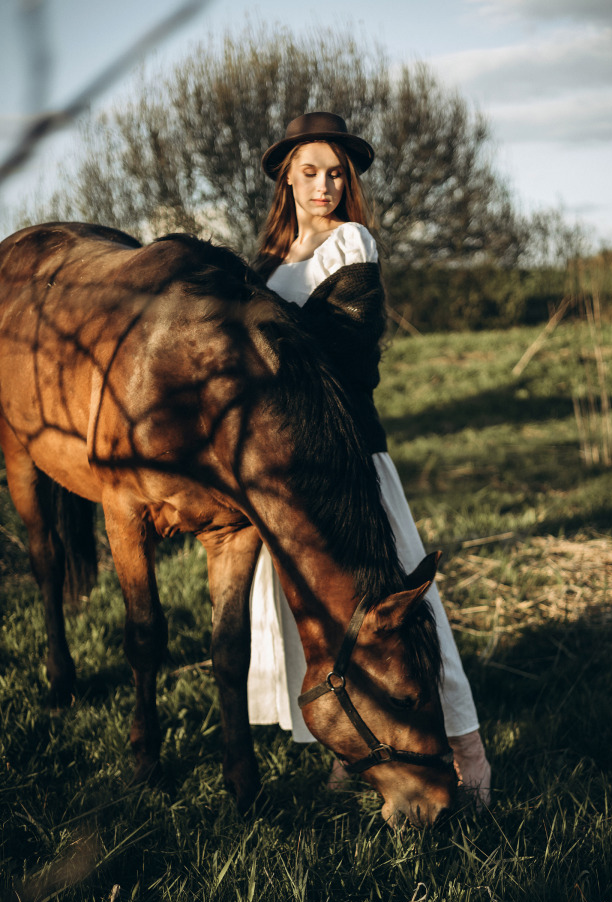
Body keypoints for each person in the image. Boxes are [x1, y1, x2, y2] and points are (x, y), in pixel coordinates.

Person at [247, 112, 491, 806]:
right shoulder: (266, 265)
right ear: (287, 179)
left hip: (352, 451)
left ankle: (467, 747)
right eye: (309, 172)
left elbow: (354, 361)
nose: (323, 185)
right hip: (286, 467)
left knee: (407, 599)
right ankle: (346, 751)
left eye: (335, 173)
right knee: (315, 610)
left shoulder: (352, 242)